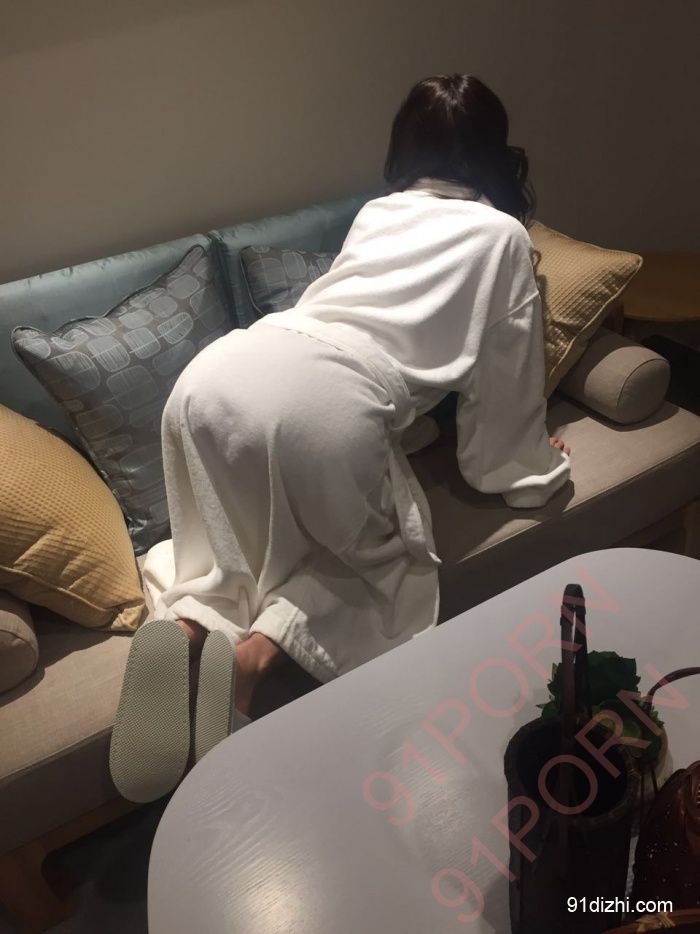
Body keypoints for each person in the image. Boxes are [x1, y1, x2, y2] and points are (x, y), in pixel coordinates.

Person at [109, 73, 571, 803]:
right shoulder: (502, 236)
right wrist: (529, 467)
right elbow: (504, 382)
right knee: (384, 572)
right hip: (324, 397)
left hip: (218, 378)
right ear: (493, 151)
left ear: (404, 145)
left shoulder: (378, 212)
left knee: (235, 549)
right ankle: (252, 663)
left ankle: (193, 623)